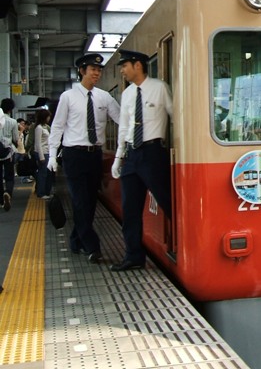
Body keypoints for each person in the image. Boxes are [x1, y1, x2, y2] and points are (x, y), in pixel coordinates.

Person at [47, 53, 120, 264]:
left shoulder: (104, 97)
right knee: (79, 200)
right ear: (82, 71)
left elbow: (120, 118)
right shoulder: (68, 97)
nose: (97, 73)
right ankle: (93, 246)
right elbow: (58, 126)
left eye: (99, 70)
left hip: (94, 155)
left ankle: (76, 240)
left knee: (89, 203)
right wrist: (52, 155)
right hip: (74, 155)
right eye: (93, 69)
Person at [110, 50, 173, 272]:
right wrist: (118, 158)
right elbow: (124, 128)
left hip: (154, 153)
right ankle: (134, 256)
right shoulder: (127, 94)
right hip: (132, 155)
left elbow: (175, 116)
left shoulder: (160, 88)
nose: (122, 70)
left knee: (168, 202)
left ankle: (186, 246)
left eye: (124, 65)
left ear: (138, 65)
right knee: (130, 209)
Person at [0, 99, 19, 212]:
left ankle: (1, 200)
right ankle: (8, 193)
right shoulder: (12, 121)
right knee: (9, 175)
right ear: (10, 109)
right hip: (8, 152)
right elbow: (16, 138)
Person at [34, 109, 54, 199]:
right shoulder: (39, 128)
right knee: (43, 173)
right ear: (44, 117)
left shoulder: (45, 127)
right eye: (48, 116)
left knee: (48, 173)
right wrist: (41, 157)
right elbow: (38, 143)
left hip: (48, 153)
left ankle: (47, 192)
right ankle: (41, 193)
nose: (49, 118)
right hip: (43, 153)